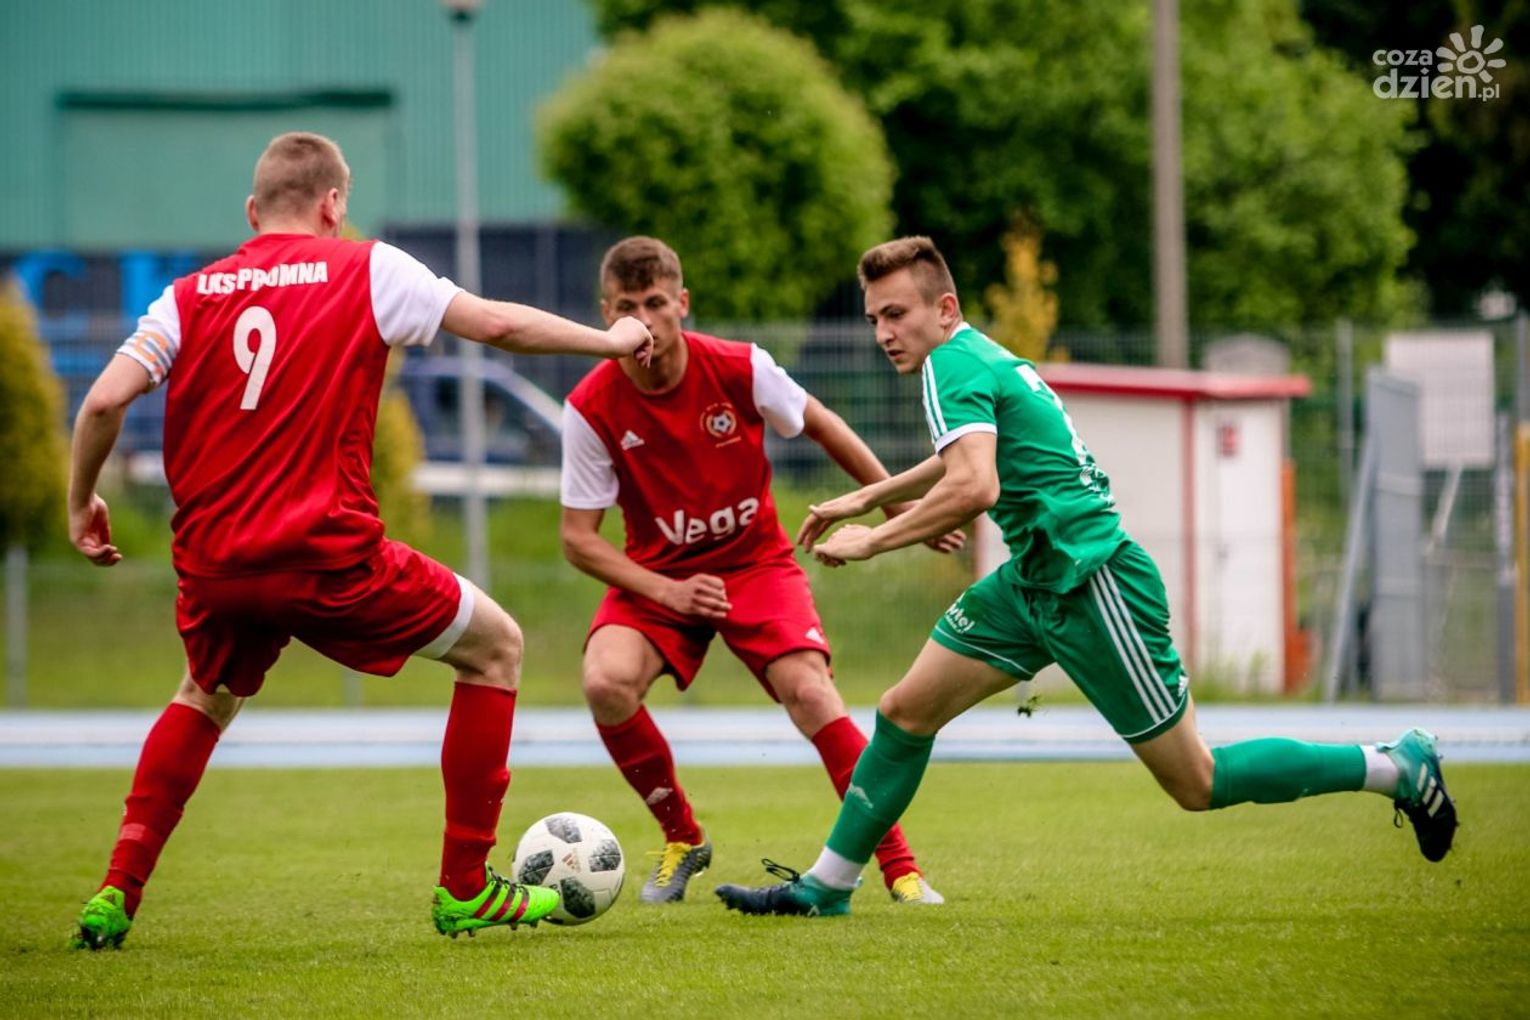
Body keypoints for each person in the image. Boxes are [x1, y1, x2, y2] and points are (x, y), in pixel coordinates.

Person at [716, 236, 1458, 918]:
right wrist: (869, 495)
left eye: (896, 314)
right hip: (1033, 581)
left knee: (1196, 782)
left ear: (944, 308)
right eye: (875, 318)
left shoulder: (949, 365)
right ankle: (828, 886)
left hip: (1093, 582)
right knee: (905, 711)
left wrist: (874, 539)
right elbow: (969, 461)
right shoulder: (971, 356)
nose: (883, 332)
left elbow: (975, 485)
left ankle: (1394, 767)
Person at [66, 132, 654, 949]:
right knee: (497, 649)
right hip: (326, 552)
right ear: (334, 203)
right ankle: (464, 887)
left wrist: (81, 502)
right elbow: (496, 324)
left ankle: (115, 893)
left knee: (203, 695)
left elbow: (102, 402)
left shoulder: (187, 296)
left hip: (218, 563)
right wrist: (611, 341)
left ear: (252, 211)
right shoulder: (367, 267)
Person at [560, 236, 963, 905]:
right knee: (605, 682)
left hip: (755, 563)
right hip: (660, 575)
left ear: (682, 303)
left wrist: (897, 507)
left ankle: (900, 867)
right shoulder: (590, 405)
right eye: (628, 308)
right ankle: (682, 838)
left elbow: (823, 424)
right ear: (607, 316)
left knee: (811, 691)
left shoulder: (740, 366)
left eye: (656, 303)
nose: (644, 321)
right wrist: (668, 591)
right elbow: (578, 540)